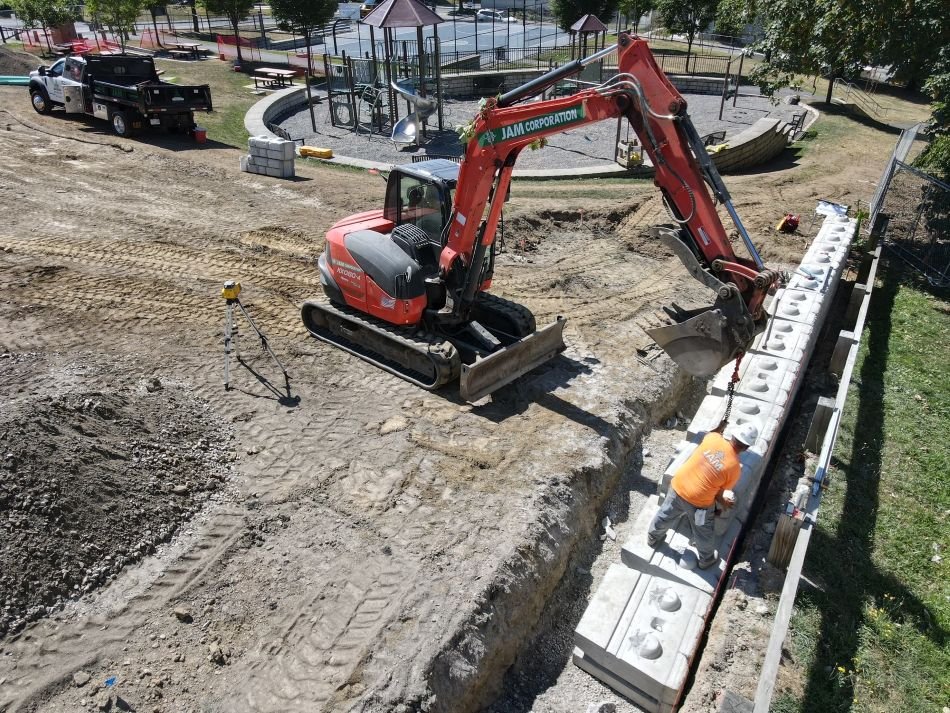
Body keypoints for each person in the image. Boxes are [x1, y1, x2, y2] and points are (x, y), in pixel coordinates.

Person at [646, 421, 759, 569]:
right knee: (703, 532)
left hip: (678, 486)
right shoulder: (734, 469)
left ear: (733, 435)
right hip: (698, 504)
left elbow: (713, 432)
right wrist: (724, 503)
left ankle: (653, 538)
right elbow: (718, 492)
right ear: (746, 447)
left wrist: (720, 427)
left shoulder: (713, 438)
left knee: (666, 514)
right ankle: (706, 560)